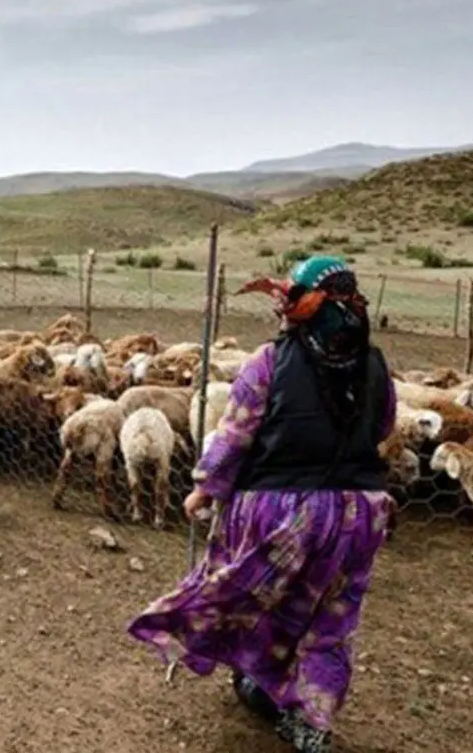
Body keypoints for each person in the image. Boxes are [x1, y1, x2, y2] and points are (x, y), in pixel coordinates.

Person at [127, 256, 397, 753]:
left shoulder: (270, 361)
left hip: (284, 511)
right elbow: (381, 429)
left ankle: (260, 682)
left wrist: (205, 486)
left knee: (252, 598)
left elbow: (235, 433)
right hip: (361, 512)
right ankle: (311, 720)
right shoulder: (376, 365)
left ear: (295, 306)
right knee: (331, 620)